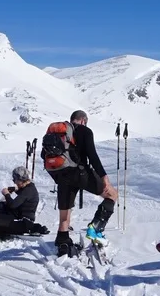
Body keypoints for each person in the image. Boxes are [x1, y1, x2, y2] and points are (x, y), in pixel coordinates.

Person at [48, 110, 118, 256]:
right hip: (80, 173)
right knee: (112, 194)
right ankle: (96, 228)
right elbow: (92, 155)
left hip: (62, 174)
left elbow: (45, 155)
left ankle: (63, 242)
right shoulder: (85, 131)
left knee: (65, 214)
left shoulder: (59, 134)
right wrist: (103, 176)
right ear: (83, 120)